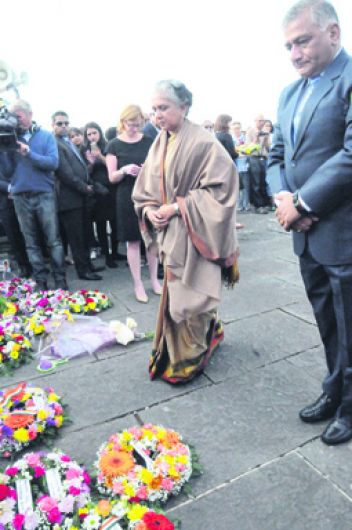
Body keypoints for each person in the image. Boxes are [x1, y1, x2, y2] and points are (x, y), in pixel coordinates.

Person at [267, 0, 352, 445]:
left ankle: (351, 408)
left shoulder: (349, 79)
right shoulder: (288, 93)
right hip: (305, 235)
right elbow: (277, 157)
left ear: (333, 33)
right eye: (289, 46)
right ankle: (335, 390)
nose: (295, 53)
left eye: (303, 41)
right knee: (327, 321)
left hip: (343, 231)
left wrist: (301, 202)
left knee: (350, 324)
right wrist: (282, 198)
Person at [133, 80, 239, 384]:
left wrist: (178, 208)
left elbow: (224, 188)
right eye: (154, 109)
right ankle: (203, 336)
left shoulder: (204, 142)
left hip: (196, 232)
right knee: (180, 291)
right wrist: (151, 210)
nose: (157, 115)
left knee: (191, 293)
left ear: (184, 107)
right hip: (171, 234)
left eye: (163, 108)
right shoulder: (160, 141)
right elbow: (146, 189)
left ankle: (192, 353)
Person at [8, 99, 67, 291]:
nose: (15, 121)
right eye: (12, 117)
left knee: (53, 240)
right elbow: (5, 170)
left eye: (18, 116)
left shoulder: (46, 136)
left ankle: (60, 279)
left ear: (30, 114)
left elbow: (53, 163)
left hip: (44, 194)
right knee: (30, 242)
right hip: (20, 197)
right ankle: (40, 280)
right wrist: (10, 186)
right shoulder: (7, 138)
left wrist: (29, 153)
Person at [106, 105, 161, 303]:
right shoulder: (113, 145)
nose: (134, 128)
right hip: (126, 196)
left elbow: (160, 167)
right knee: (133, 241)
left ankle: (154, 281)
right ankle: (138, 284)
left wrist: (149, 168)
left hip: (149, 194)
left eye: (138, 124)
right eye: (131, 124)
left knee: (152, 239)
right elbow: (111, 177)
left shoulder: (149, 141)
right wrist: (124, 170)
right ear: (123, 122)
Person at [52, 111, 103, 282]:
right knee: (76, 238)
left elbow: (79, 167)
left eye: (66, 123)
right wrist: (85, 188)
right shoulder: (56, 143)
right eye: (59, 123)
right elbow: (65, 174)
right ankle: (83, 270)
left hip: (80, 197)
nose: (64, 126)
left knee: (84, 234)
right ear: (53, 125)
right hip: (69, 199)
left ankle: (88, 265)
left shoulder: (68, 142)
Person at [83, 121, 118, 268]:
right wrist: (90, 162)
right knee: (101, 224)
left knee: (115, 222)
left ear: (100, 133)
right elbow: (85, 173)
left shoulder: (109, 146)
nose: (92, 137)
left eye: (94, 133)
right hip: (98, 191)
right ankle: (107, 255)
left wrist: (100, 156)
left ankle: (115, 252)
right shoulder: (84, 150)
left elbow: (114, 166)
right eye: (89, 134)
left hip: (112, 188)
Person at [0, 151, 32, 278]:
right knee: (14, 236)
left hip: (25, 194)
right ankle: (24, 266)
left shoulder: (16, 148)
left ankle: (37, 264)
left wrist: (19, 188)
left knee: (30, 232)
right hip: (4, 200)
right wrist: (10, 188)